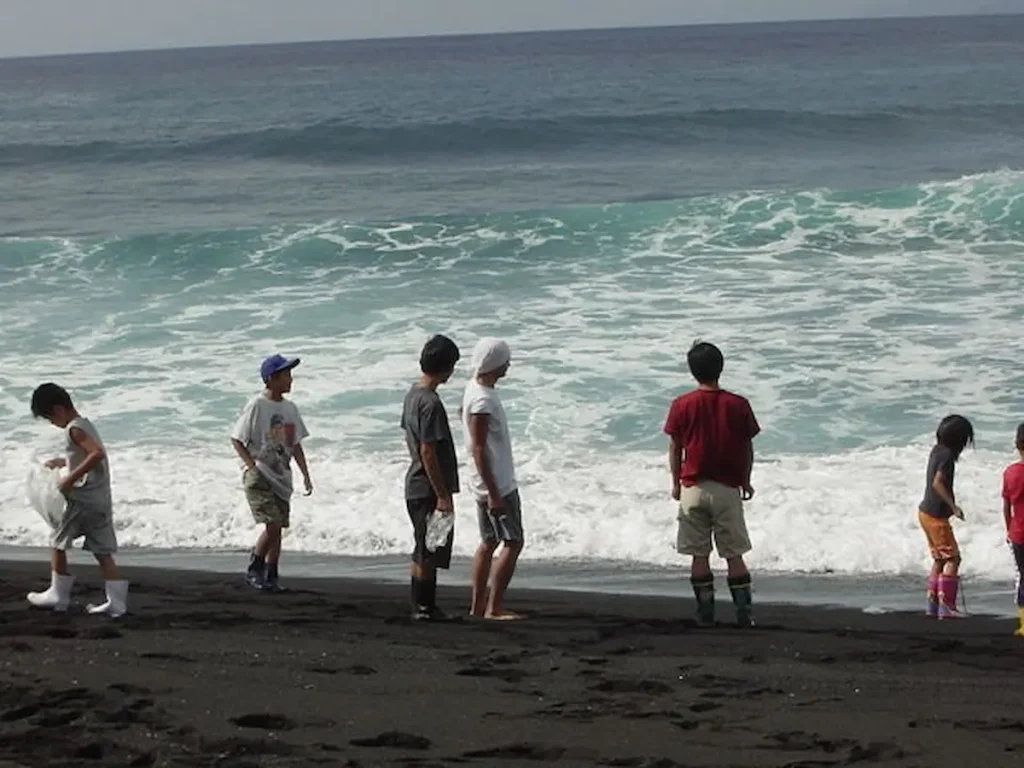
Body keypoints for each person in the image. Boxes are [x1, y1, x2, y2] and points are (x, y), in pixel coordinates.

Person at [663, 342, 760, 628]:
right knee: (734, 554)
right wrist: (746, 480)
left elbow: (675, 448)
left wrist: (675, 483)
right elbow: (746, 447)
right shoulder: (738, 404)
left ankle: (705, 614)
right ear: (721, 367)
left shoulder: (682, 405)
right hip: (727, 488)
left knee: (699, 554)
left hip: (693, 486)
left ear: (693, 371)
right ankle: (744, 615)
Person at [27, 383, 128, 616]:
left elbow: (96, 454)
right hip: (99, 499)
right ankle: (117, 603)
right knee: (102, 550)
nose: (53, 424)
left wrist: (69, 479)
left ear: (59, 409)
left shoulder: (74, 429)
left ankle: (58, 594)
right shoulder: (86, 424)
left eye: (50, 418)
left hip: (81, 501)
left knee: (57, 540)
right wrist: (63, 462)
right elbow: (89, 456)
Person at [231, 354, 312, 592]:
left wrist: (305, 473)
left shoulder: (289, 408)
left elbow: (295, 444)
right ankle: (254, 568)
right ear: (271, 379)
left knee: (279, 528)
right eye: (286, 375)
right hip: (260, 475)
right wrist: (251, 466)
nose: (291, 379)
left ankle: (271, 574)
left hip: (281, 477)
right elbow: (237, 439)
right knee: (273, 524)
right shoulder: (257, 405)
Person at [463, 338, 525, 620]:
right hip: (496, 483)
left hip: (484, 482)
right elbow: (478, 447)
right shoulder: (483, 400)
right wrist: (495, 493)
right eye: (505, 362)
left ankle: (478, 608)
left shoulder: (475, 389)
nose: (508, 366)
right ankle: (493, 608)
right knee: (512, 542)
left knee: (489, 542)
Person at [401, 334, 461, 621]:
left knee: (422, 544)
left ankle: (420, 603)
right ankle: (425, 607)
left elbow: (410, 440)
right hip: (426, 487)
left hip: (414, 482)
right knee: (429, 547)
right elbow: (428, 451)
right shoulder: (431, 403)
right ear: (446, 367)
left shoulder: (413, 395)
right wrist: (442, 494)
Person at [918, 414, 974, 619]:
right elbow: (937, 483)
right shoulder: (948, 456)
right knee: (953, 558)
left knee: (939, 559)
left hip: (925, 512)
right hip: (935, 516)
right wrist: (954, 506)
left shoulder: (937, 451)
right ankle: (947, 606)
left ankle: (932, 604)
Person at [1002, 422, 1024, 635]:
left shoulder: (1010, 473)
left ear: (1017, 445)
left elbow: (1007, 506)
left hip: (1018, 533)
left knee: (1023, 576)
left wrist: (1008, 530)